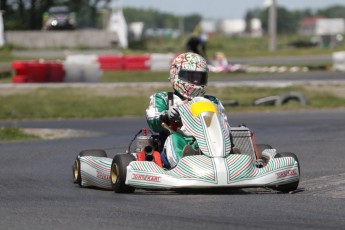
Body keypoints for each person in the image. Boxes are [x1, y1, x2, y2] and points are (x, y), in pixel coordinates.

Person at [145, 52, 232, 169]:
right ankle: (185, 163)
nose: (196, 82)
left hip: (208, 141)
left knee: (227, 135)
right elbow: (153, 122)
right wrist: (167, 116)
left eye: (199, 77)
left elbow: (224, 123)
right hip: (179, 138)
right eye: (191, 77)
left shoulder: (212, 101)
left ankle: (230, 158)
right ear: (176, 74)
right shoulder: (164, 98)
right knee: (174, 139)